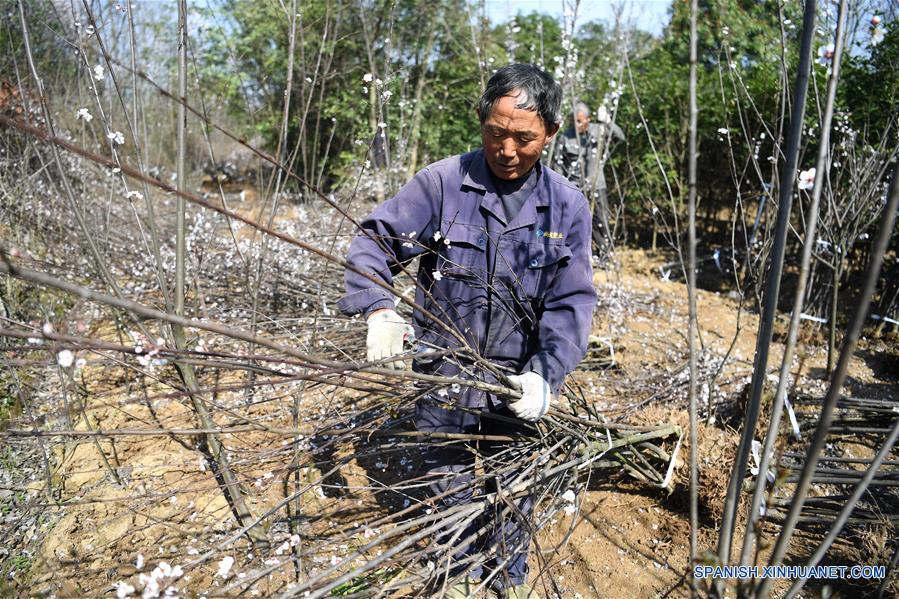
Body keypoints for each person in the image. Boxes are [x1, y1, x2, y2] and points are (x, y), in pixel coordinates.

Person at [337, 64, 596, 598]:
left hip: (517, 379)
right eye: (495, 133)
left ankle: (507, 581)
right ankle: (455, 578)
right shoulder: (441, 184)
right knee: (447, 490)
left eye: (524, 138)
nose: (507, 150)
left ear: (550, 133)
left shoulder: (566, 206)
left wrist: (546, 374)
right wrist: (378, 307)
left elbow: (571, 302)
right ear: (480, 121)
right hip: (445, 374)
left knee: (514, 492)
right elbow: (374, 243)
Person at [552, 102, 625, 262]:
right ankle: (576, 256)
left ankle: (604, 255)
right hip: (574, 188)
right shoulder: (565, 137)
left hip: (596, 185)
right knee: (575, 222)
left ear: (588, 119)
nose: (576, 125)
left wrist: (608, 121)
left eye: (580, 121)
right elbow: (558, 165)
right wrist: (561, 188)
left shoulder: (598, 131)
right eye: (574, 121)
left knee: (601, 221)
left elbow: (620, 137)